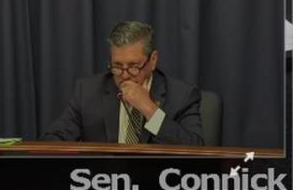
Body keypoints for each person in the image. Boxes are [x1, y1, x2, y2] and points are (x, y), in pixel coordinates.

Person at [41, 21, 204, 145]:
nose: (125, 76)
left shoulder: (182, 95)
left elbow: (196, 149)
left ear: (153, 60)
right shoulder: (88, 92)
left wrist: (150, 110)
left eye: (134, 67)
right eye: (117, 66)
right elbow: (53, 140)